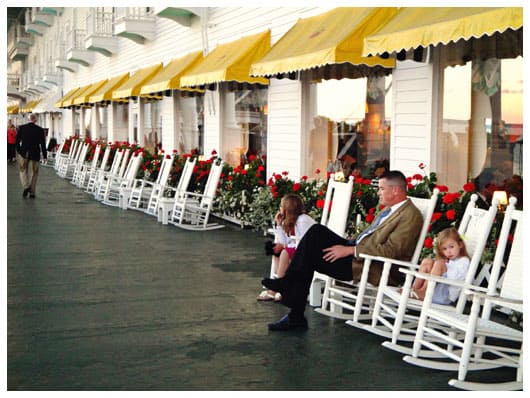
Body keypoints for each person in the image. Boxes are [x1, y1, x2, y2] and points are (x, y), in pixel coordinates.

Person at [262, 170, 423, 331]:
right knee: (316, 232)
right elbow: (369, 236)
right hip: (357, 252)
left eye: (381, 188)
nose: (378, 193)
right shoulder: (389, 210)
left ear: (395, 190)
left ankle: (293, 306)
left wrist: (350, 250)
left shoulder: (410, 216)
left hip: (367, 265)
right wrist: (350, 244)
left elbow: (391, 250)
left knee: (309, 254)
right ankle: (293, 305)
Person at [258, 194, 316, 302]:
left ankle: (276, 289)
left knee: (285, 252)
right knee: (277, 252)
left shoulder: (303, 221)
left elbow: (304, 243)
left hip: (311, 252)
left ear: (287, 209)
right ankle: (282, 288)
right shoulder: (292, 221)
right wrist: (279, 225)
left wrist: (285, 247)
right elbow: (284, 241)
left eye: (281, 206)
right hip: (300, 250)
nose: (279, 209)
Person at [410, 227, 470, 304]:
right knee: (427, 261)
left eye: (451, 247)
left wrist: (444, 266)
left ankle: (423, 292)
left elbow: (454, 278)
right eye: (444, 249)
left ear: (460, 245)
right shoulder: (450, 261)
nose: (448, 251)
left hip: (445, 295)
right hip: (435, 289)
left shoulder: (464, 261)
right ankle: (414, 288)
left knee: (439, 263)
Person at [15, 113, 47, 198]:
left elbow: (17, 141)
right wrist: (45, 155)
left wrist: (19, 151)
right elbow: (43, 144)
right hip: (35, 153)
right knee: (35, 172)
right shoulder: (40, 130)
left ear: (28, 119)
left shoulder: (22, 128)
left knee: (23, 170)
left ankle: (26, 186)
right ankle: (32, 192)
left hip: (23, 152)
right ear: (35, 120)